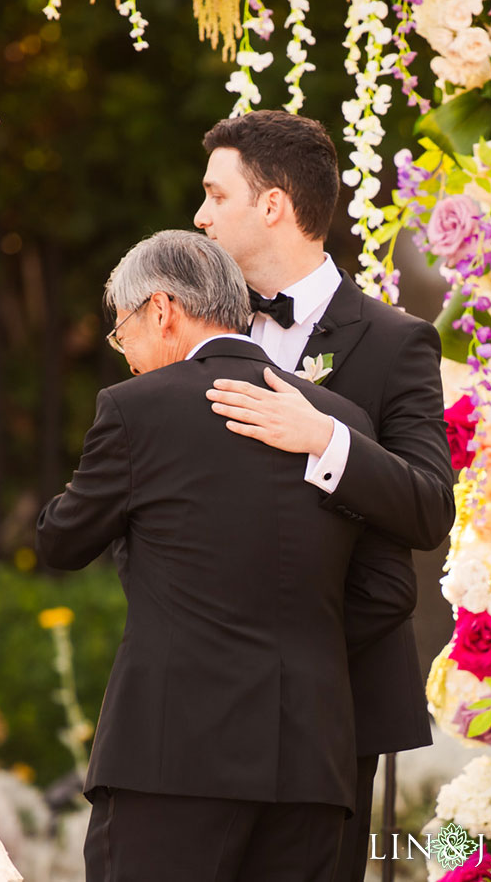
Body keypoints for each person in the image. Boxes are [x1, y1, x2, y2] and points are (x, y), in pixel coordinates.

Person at [38, 230, 373, 882]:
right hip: (313, 762)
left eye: (122, 330)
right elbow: (384, 590)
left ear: (162, 309)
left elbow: (61, 541)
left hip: (174, 758)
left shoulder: (137, 410)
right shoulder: (340, 419)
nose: (126, 353)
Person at [192, 111, 451, 882]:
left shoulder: (395, 340)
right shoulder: (199, 327)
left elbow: (430, 505)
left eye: (215, 194)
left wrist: (324, 438)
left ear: (272, 205)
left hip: (336, 686)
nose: (200, 216)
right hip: (208, 686)